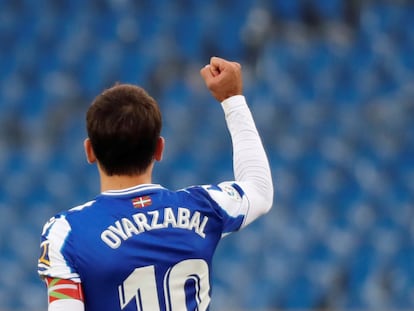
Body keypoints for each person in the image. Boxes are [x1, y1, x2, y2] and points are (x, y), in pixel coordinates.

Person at [37, 56, 273, 311]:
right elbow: (259, 190)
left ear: (89, 150)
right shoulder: (205, 207)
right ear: (159, 148)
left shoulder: (67, 233)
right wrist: (233, 100)